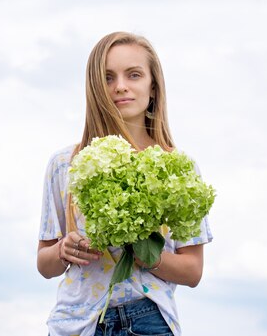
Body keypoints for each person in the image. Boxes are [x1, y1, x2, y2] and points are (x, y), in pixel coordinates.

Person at [37, 31, 212, 336]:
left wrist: (146, 253)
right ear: (95, 88)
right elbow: (44, 263)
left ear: (152, 86)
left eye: (133, 75)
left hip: (148, 320)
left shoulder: (177, 169)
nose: (120, 87)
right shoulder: (65, 164)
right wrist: (64, 250)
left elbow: (192, 270)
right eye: (107, 78)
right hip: (75, 324)